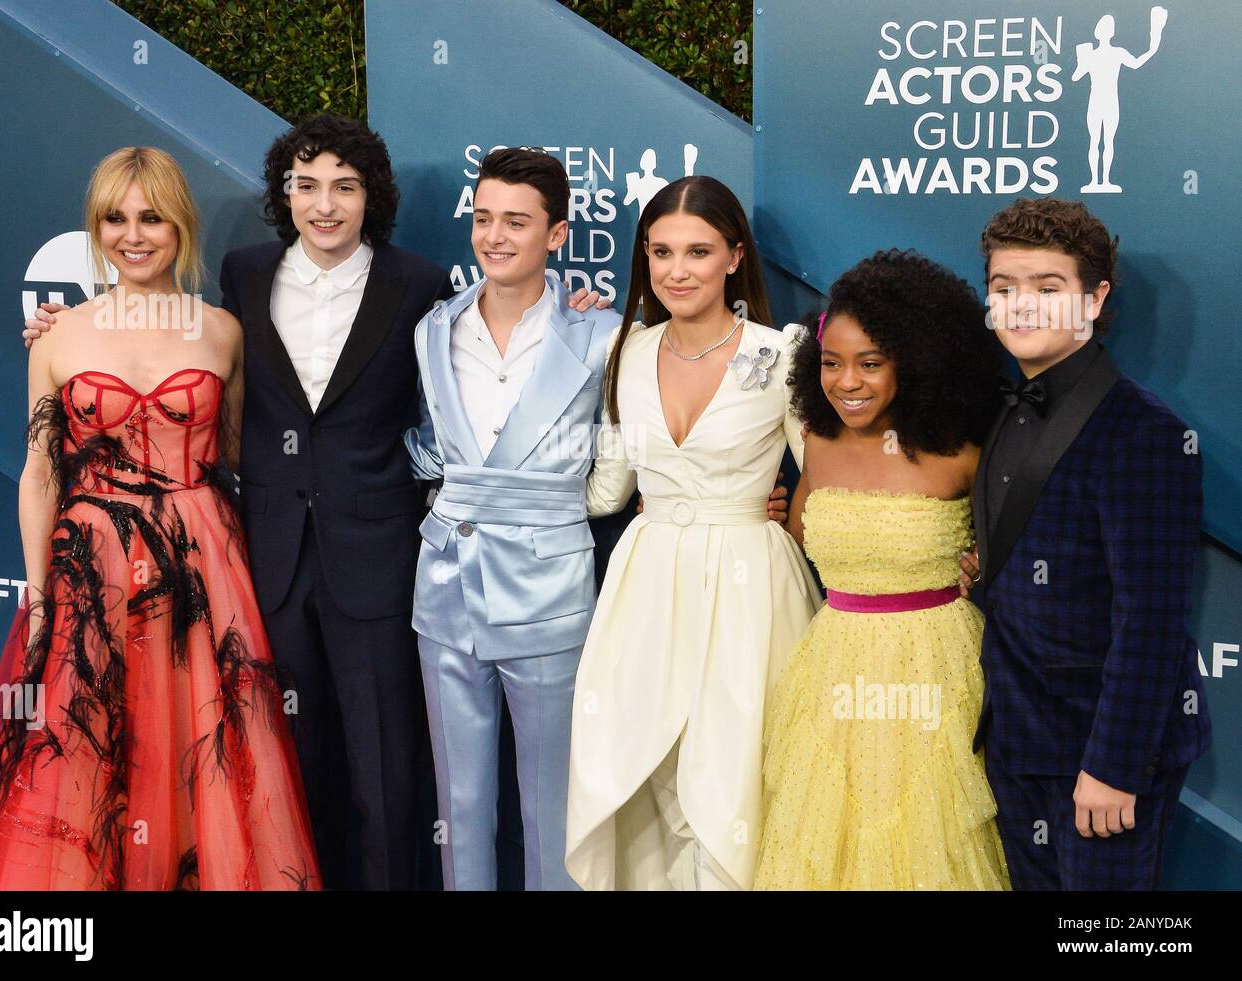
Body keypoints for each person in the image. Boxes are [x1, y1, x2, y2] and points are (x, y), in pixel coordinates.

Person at [23, 114, 450, 890]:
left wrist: (576, 309)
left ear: (370, 198)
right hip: (239, 565)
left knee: (381, 774)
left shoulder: (413, 285)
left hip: (344, 560)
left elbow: (479, 355)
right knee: (262, 761)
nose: (324, 205)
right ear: (285, 195)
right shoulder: (246, 278)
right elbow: (65, 460)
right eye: (307, 186)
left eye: (344, 188)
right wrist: (57, 326)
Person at [405, 149, 785, 890]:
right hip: (444, 586)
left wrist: (735, 501)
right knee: (459, 802)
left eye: (516, 221)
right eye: (483, 219)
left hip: (550, 593)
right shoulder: (433, 329)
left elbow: (611, 473)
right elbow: (428, 445)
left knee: (558, 807)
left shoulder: (606, 336)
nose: (495, 235)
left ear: (557, 235)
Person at [0, 147, 319, 890]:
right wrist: (40, 590)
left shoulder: (221, 331)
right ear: (96, 228)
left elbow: (240, 454)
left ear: (179, 224)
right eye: (115, 218)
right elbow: (41, 468)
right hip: (92, 572)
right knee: (88, 756)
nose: (134, 234)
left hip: (201, 571)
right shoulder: (58, 334)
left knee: (203, 747)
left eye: (151, 216)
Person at [564, 175, 821, 890]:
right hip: (645, 587)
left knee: (734, 778)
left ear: (735, 257)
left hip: (751, 592)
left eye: (699, 251)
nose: (678, 270)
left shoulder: (782, 353)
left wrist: (784, 513)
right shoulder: (627, 350)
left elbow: (824, 477)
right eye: (661, 251)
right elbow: (609, 488)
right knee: (642, 778)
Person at [967, 197, 1210, 890]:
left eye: (1048, 289)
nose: (1022, 306)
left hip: (1100, 753)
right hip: (1017, 738)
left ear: (1095, 297)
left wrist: (1113, 766)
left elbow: (1154, 621)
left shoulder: (1144, 432)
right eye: (1005, 288)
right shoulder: (1005, 409)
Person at [754, 249, 1010, 890]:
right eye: (833, 363)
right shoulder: (817, 440)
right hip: (833, 666)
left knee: (929, 842)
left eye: (870, 363)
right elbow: (802, 536)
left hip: (937, 672)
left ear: (915, 361)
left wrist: (983, 568)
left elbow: (1021, 555)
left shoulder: (963, 451)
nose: (848, 382)